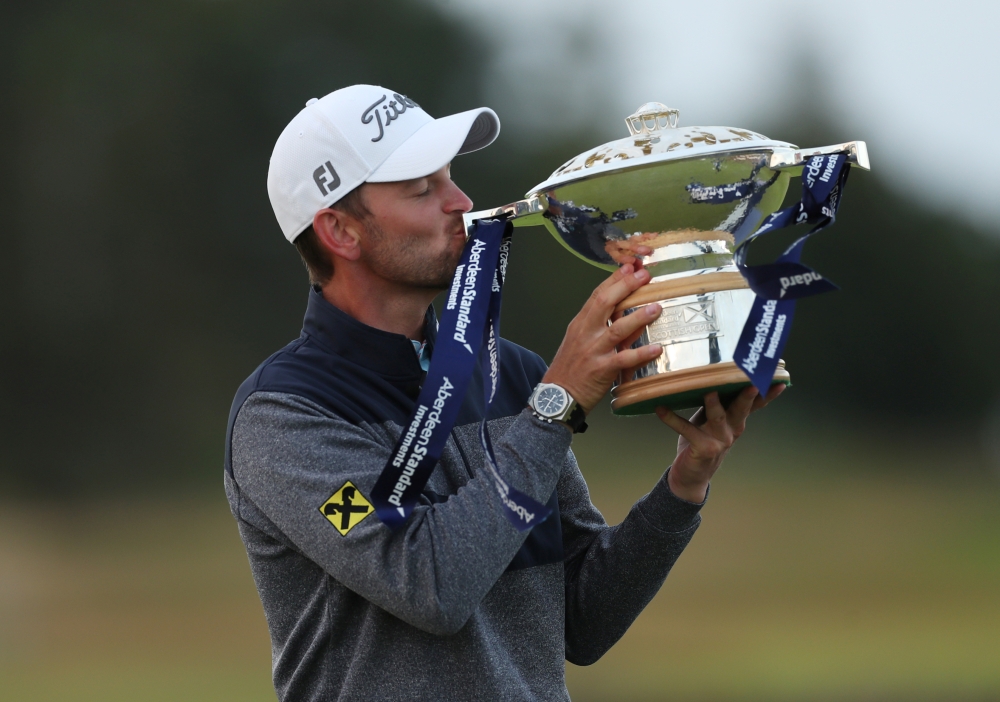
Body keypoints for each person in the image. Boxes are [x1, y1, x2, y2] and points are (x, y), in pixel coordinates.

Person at [224, 84, 782, 702]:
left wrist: (684, 485)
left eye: (451, 178)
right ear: (340, 230)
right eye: (421, 189)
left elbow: (583, 620)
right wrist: (555, 406)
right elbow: (430, 586)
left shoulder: (511, 373)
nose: (461, 202)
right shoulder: (283, 416)